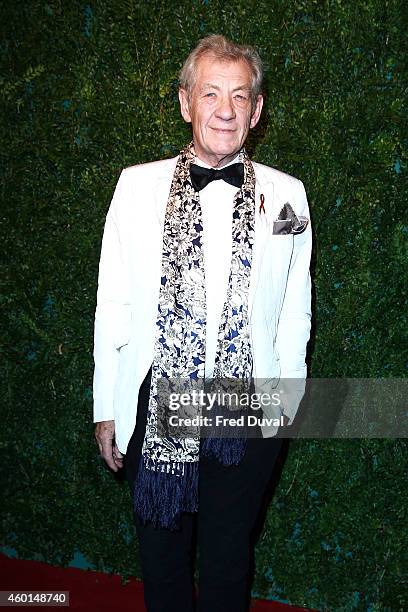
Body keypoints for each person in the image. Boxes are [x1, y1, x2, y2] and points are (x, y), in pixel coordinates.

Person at [93, 34, 312, 612]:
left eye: (239, 97)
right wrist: (105, 406)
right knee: (161, 560)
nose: (225, 109)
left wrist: (288, 394)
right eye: (211, 93)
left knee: (226, 561)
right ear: (186, 102)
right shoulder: (134, 186)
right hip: (156, 400)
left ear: (256, 110)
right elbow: (111, 303)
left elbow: (295, 304)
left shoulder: (289, 196)